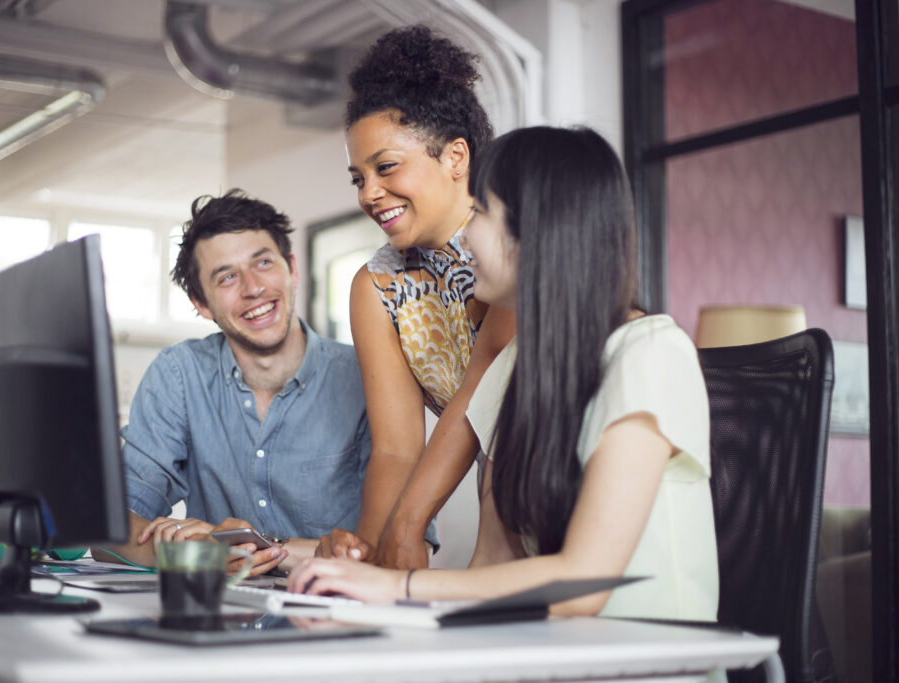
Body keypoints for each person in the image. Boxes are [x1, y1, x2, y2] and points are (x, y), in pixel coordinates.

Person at [290, 126, 719, 622]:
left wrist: (396, 588)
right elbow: (491, 562)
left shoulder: (651, 354)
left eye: (480, 214)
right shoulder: (515, 363)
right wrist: (371, 591)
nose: (465, 236)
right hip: (549, 661)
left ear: (537, 229)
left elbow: (583, 585)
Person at [317, 25, 516, 568]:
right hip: (505, 507)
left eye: (385, 167)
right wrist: (369, 561)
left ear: (456, 157)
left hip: (583, 483)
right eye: (357, 178)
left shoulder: (518, 247)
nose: (369, 193)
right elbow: (397, 450)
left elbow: (486, 397)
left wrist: (406, 531)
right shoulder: (378, 286)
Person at [93, 189, 371, 574]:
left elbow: (401, 545)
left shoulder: (364, 377)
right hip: (222, 614)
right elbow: (109, 533)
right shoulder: (179, 375)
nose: (253, 287)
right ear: (201, 303)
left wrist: (263, 549)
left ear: (291, 268)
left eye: (263, 262)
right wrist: (196, 554)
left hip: (343, 613)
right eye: (227, 277)